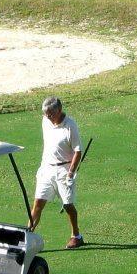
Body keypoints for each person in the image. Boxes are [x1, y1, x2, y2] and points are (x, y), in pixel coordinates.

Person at [30, 96, 84, 248]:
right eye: (46, 113)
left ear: (59, 110)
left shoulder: (70, 126)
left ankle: (76, 236)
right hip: (47, 168)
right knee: (38, 203)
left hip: (64, 170)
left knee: (68, 205)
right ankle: (27, 236)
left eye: (51, 113)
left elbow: (77, 151)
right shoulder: (45, 121)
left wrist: (71, 174)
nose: (48, 116)